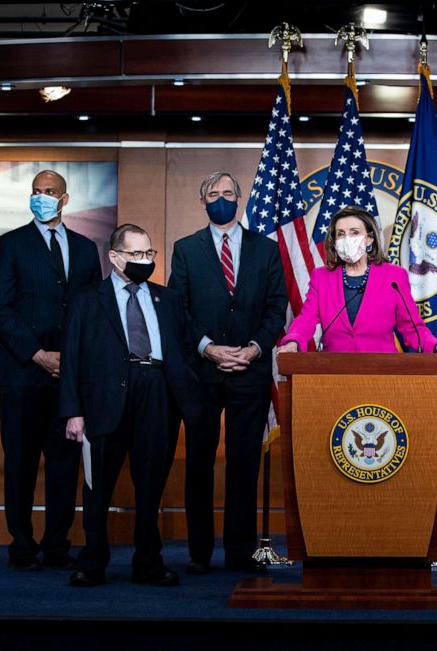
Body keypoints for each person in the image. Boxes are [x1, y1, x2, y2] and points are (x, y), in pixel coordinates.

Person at [60, 224, 201, 587]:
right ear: (115, 257)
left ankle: (148, 563)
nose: (145, 261)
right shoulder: (87, 299)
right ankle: (93, 561)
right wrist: (73, 412)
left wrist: (184, 400)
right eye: (136, 254)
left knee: (150, 487)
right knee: (97, 489)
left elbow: (183, 351)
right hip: (104, 399)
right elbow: (72, 359)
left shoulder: (167, 299)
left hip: (156, 396)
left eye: (149, 254)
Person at [167, 172, 288, 574]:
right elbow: (177, 310)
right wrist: (209, 348)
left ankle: (239, 552)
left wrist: (253, 349)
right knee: (199, 464)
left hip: (249, 373)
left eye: (228, 193)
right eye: (214, 194)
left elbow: (276, 308)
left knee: (243, 466)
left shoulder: (266, 250)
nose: (222, 199)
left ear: (240, 198)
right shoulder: (185, 250)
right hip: (202, 373)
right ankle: (199, 553)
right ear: (203, 201)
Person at [0, 170, 100, 571]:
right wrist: (37, 354)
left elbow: (94, 311)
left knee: (64, 465)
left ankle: (56, 546)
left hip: (68, 377)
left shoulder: (86, 249)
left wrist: (71, 359)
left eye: (49, 192)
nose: (41, 197)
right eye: (35, 191)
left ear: (64, 199)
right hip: (22, 374)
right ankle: (21, 545)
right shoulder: (11, 244)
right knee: (19, 461)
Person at [278, 205, 437, 355]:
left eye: (354, 232)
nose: (346, 238)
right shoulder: (321, 277)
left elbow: (411, 328)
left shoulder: (394, 276)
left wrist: (436, 346)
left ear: (369, 238)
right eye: (340, 234)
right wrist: (293, 342)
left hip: (382, 375)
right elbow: (305, 320)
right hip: (333, 374)